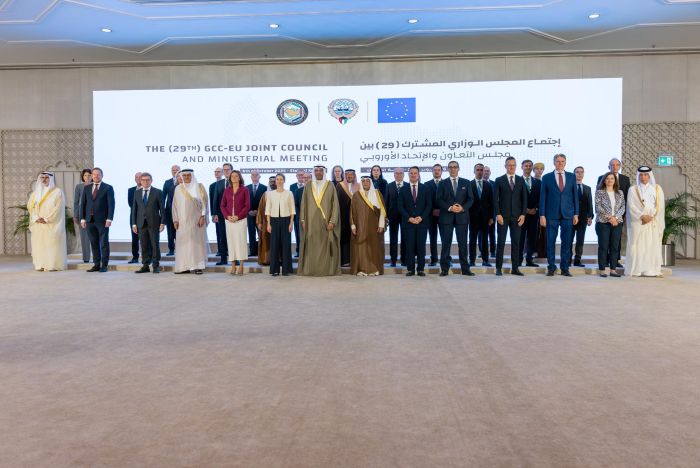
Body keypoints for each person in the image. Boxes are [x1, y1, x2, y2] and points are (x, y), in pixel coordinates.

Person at [539, 154, 579, 276]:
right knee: (550, 242)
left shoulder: (572, 177)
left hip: (568, 214)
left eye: (562, 161)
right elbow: (543, 197)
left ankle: (565, 268)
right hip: (551, 215)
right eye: (558, 161)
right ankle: (551, 267)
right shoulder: (546, 177)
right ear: (554, 162)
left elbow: (575, 196)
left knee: (566, 242)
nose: (560, 163)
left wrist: (576, 214)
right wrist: (542, 215)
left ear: (565, 163)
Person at [298, 165, 341, 276]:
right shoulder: (308, 185)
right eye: (316, 170)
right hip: (310, 222)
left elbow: (335, 205)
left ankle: (326, 270)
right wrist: (302, 219)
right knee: (312, 245)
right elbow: (303, 203)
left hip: (326, 222)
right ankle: (311, 270)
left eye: (320, 170)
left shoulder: (330, 185)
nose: (318, 172)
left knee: (326, 245)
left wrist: (332, 221)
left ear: (324, 172)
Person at [626, 166, 665, 277]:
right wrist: (641, 216)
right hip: (638, 221)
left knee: (650, 245)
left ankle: (650, 269)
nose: (643, 177)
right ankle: (637, 269)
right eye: (641, 175)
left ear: (649, 176)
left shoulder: (657, 189)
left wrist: (651, 216)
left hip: (652, 222)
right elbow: (631, 205)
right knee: (638, 246)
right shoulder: (633, 189)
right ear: (638, 176)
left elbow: (660, 205)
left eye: (646, 175)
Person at [437, 160, 474, 276]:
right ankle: (444, 269)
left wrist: (462, 208)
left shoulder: (466, 182)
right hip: (446, 218)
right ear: (448, 169)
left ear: (458, 168)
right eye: (450, 167)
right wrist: (450, 208)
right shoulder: (442, 183)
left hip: (462, 218)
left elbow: (471, 199)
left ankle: (465, 269)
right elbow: (439, 199)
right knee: (446, 244)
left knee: (463, 244)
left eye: (455, 167)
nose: (453, 169)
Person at [493, 157, 528, 276]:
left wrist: (523, 215)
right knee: (501, 243)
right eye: (509, 165)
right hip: (503, 217)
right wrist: (498, 214)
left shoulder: (521, 180)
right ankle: (498, 268)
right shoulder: (499, 180)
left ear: (516, 166)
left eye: (513, 165)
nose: (511, 167)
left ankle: (515, 268)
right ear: (505, 166)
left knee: (516, 243)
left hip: (517, 217)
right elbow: (495, 199)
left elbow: (524, 199)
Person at [172, 169, 209, 275]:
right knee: (183, 245)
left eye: (189, 175)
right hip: (182, 222)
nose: (187, 177)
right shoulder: (178, 188)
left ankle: (198, 266)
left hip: (196, 221)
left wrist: (202, 217)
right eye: (184, 175)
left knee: (196, 244)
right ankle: (184, 267)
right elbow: (174, 205)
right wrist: (175, 220)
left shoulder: (199, 187)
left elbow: (205, 204)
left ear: (192, 176)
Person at [27, 172, 67, 271]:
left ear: (51, 179)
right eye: (42, 177)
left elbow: (58, 208)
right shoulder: (35, 193)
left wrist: (46, 219)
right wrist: (36, 218)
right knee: (39, 244)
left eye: (46, 177)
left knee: (52, 244)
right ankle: (41, 264)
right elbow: (30, 207)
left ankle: (52, 265)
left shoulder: (58, 192)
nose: (44, 179)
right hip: (38, 224)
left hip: (52, 224)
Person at [597, 158, 631, 268]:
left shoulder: (623, 183)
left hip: (618, 219)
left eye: (617, 165)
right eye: (612, 165)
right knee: (604, 244)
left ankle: (614, 263)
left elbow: (625, 202)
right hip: (604, 220)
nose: (615, 166)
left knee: (616, 244)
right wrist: (610, 217)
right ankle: (603, 265)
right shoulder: (600, 186)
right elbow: (598, 205)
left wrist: (618, 217)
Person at [80, 167, 115, 273]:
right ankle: (96, 264)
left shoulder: (108, 187)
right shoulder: (87, 188)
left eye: (98, 174)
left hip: (103, 220)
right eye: (94, 174)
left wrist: (109, 219)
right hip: (89, 220)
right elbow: (83, 204)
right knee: (94, 243)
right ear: (92, 176)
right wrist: (82, 219)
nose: (96, 176)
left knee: (104, 243)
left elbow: (111, 204)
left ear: (102, 175)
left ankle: (104, 265)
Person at [398, 166, 431, 277]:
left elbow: (429, 205)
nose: (413, 175)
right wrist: (409, 218)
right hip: (408, 223)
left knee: (421, 246)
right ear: (408, 175)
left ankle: (420, 269)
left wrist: (421, 217)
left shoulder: (425, 188)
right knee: (409, 247)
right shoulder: (403, 189)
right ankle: (410, 269)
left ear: (418, 175)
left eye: (415, 173)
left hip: (422, 222)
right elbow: (400, 206)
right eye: (411, 173)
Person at [350, 176, 386, 276]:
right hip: (360, 227)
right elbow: (351, 212)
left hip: (374, 226)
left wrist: (381, 224)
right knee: (361, 248)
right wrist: (353, 226)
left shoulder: (377, 194)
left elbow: (382, 211)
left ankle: (374, 269)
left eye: (367, 181)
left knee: (374, 248)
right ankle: (362, 269)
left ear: (370, 183)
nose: (365, 183)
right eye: (363, 181)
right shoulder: (356, 195)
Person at [130, 172, 164, 274]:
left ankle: (156, 265)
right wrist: (134, 224)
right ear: (140, 181)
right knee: (144, 245)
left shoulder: (158, 192)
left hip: (154, 223)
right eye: (143, 180)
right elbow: (134, 209)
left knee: (154, 244)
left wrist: (163, 223)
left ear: (151, 181)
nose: (145, 182)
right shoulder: (137, 193)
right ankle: (145, 265)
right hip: (141, 223)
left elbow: (162, 209)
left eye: (147, 180)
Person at [595, 172, 625, 277]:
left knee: (614, 247)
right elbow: (598, 207)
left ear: (615, 180)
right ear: (604, 180)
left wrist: (615, 218)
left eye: (612, 178)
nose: (610, 180)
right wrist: (610, 217)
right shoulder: (599, 192)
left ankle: (613, 270)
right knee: (603, 246)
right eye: (607, 178)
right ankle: (602, 270)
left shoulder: (620, 193)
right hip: (603, 222)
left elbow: (623, 207)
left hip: (617, 223)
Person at [221, 170, 250, 275]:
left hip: (240, 220)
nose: (234, 177)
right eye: (232, 176)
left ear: (239, 177)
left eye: (236, 176)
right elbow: (222, 205)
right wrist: (227, 216)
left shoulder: (244, 189)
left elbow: (247, 205)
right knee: (231, 243)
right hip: (229, 221)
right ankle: (233, 266)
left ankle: (241, 266)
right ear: (230, 178)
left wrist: (238, 216)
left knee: (240, 242)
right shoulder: (227, 190)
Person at [265, 173, 295, 276]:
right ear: (275, 181)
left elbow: (292, 209)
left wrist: (291, 223)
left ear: (284, 181)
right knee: (274, 246)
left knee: (286, 245)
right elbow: (268, 209)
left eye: (281, 179)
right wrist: (268, 224)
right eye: (277, 179)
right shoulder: (270, 194)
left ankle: (286, 270)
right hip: (273, 221)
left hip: (286, 221)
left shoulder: (289, 193)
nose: (279, 181)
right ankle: (275, 270)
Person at [468, 163, 494, 268]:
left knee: (484, 239)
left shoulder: (488, 185)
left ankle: (485, 260)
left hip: (485, 217)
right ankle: (472, 260)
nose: (479, 172)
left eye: (481, 170)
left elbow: (491, 202)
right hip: (472, 217)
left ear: (484, 171)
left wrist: (492, 217)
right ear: (474, 171)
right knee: (472, 239)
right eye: (477, 170)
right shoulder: (469, 184)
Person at [518, 160, 541, 267]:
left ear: (532, 168)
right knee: (520, 238)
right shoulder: (517, 181)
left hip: (534, 214)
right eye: (526, 166)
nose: (528, 167)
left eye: (530, 166)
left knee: (532, 238)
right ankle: (518, 260)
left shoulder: (538, 182)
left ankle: (529, 260)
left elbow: (541, 198)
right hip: (520, 215)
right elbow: (515, 198)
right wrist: (525, 210)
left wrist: (535, 209)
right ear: (522, 167)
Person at [336, 168, 359, 267]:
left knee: (355, 237)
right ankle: (344, 260)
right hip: (343, 216)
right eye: (347, 174)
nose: (349, 176)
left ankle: (355, 260)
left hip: (356, 216)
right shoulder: (340, 185)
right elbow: (336, 201)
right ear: (345, 176)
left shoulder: (359, 186)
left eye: (351, 174)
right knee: (344, 238)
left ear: (354, 176)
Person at [571, 166, 593, 266]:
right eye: (577, 172)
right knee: (569, 240)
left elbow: (590, 203)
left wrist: (590, 216)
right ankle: (567, 259)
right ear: (573, 174)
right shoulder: (569, 187)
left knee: (580, 240)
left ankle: (577, 260)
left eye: (581, 172)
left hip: (583, 218)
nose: (579, 174)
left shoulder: (587, 188)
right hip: (570, 218)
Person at [385, 167, 406, 267]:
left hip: (405, 216)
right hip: (392, 216)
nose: (398, 175)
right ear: (394, 175)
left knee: (405, 238)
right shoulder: (389, 186)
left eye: (400, 173)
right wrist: (385, 216)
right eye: (396, 173)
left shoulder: (407, 185)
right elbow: (386, 202)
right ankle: (393, 260)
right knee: (393, 239)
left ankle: (404, 259)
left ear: (403, 175)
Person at [211, 163, 232, 266]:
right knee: (222, 237)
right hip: (221, 214)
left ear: (231, 171)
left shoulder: (236, 182)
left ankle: (234, 259)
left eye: (228, 169)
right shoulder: (219, 183)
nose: (226, 171)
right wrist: (214, 214)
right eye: (224, 170)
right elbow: (215, 199)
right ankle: (223, 259)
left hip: (233, 215)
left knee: (233, 238)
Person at [255, 176, 276, 266]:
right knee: (266, 241)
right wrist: (259, 222)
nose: (272, 183)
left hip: (278, 222)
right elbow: (260, 209)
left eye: (274, 181)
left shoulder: (283, 193)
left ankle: (278, 259)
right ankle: (266, 260)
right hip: (265, 222)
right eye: (271, 181)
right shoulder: (265, 194)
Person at [73, 168, 92, 263]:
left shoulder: (96, 185)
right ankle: (86, 258)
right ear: (82, 177)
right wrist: (75, 215)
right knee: (84, 237)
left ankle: (98, 257)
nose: (87, 177)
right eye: (85, 175)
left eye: (89, 175)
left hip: (94, 213)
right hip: (82, 214)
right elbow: (76, 202)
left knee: (95, 236)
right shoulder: (79, 186)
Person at [247, 170, 267, 257]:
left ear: (259, 176)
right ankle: (252, 251)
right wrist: (249, 211)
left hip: (260, 215)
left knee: (261, 233)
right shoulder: (246, 188)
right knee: (251, 233)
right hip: (249, 214)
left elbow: (265, 202)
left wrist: (258, 211)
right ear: (251, 177)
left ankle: (261, 251)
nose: (254, 176)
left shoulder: (265, 188)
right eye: (253, 175)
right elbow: (244, 202)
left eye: (256, 175)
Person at [426, 164, 443, 266]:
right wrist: (432, 210)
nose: (436, 171)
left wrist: (441, 210)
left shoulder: (447, 183)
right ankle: (434, 259)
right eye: (435, 170)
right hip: (431, 215)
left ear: (441, 171)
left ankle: (446, 259)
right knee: (433, 238)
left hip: (444, 215)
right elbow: (426, 200)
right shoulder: (427, 184)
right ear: (432, 171)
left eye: (438, 170)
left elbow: (448, 199)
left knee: (445, 238)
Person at [162, 164, 180, 256]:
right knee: (170, 231)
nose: (175, 171)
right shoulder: (167, 182)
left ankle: (180, 249)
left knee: (180, 231)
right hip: (169, 211)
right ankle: (171, 249)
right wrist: (162, 210)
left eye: (177, 170)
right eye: (173, 170)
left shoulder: (183, 182)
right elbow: (163, 197)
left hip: (181, 212)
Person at [126, 171, 142, 264]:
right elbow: (130, 204)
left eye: (140, 177)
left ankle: (149, 257)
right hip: (134, 218)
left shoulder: (149, 190)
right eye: (136, 177)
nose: (138, 179)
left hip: (146, 218)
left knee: (146, 239)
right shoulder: (131, 190)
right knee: (134, 239)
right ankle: (135, 257)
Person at [289, 169, 305, 257]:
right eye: (299, 175)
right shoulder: (292, 186)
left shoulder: (309, 186)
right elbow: (292, 202)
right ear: (296, 176)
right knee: (298, 234)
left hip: (307, 215)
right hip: (296, 215)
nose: (301, 177)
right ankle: (299, 251)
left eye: (302, 175)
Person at [533, 162, 547, 259]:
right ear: (533, 170)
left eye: (541, 169)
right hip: (533, 211)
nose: (539, 170)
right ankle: (532, 251)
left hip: (544, 211)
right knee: (533, 232)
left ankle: (542, 252)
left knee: (544, 232)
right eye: (537, 168)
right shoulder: (531, 181)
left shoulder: (545, 181)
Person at [482, 165, 496, 259]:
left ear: (490, 173)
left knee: (492, 233)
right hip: (480, 215)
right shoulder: (476, 183)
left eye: (488, 171)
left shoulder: (494, 183)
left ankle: (493, 251)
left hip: (492, 213)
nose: (486, 172)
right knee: (481, 235)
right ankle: (482, 252)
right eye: (484, 171)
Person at [209, 167, 223, 255]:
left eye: (219, 172)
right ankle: (220, 250)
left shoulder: (227, 183)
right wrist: (213, 214)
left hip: (227, 213)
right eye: (215, 172)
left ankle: (227, 250)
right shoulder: (212, 186)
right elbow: (212, 201)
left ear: (222, 173)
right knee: (218, 232)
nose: (217, 173)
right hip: (217, 213)